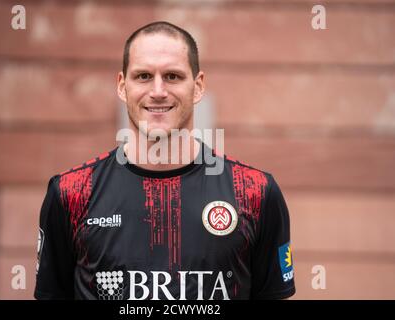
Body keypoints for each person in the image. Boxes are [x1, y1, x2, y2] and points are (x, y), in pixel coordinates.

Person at [34, 21, 295, 300]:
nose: (158, 91)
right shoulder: (71, 193)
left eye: (172, 76)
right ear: (122, 86)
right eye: (144, 76)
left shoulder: (255, 192)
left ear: (197, 86)